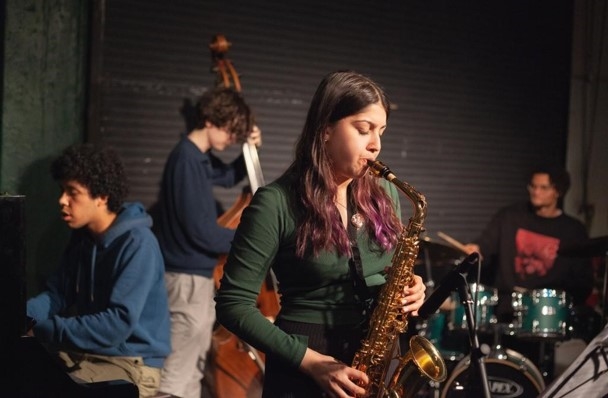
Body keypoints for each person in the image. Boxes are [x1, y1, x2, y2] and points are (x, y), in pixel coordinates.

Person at [215, 70, 427, 398]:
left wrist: (411, 286)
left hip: (374, 358)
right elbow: (233, 304)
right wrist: (312, 363)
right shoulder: (276, 202)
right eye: (363, 129)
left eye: (381, 131)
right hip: (304, 362)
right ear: (326, 129)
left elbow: (388, 272)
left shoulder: (385, 192)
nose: (376, 145)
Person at [26, 143, 171, 397]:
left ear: (102, 197)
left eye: (73, 192)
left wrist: (42, 328)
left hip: (132, 363)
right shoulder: (83, 237)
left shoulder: (138, 243)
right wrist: (21, 316)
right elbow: (58, 294)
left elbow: (116, 324)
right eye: (62, 190)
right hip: (89, 354)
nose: (62, 201)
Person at [155, 86, 262, 398]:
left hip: (193, 278)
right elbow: (202, 233)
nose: (233, 137)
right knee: (175, 378)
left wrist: (250, 150)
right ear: (210, 120)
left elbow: (228, 177)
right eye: (230, 128)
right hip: (185, 279)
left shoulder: (197, 159)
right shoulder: (186, 160)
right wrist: (252, 242)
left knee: (191, 372)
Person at [462, 166, 593, 322]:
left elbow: (582, 281)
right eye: (533, 186)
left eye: (544, 187)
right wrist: (476, 249)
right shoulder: (510, 216)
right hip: (506, 307)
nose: (536, 192)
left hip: (546, 312)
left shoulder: (573, 230)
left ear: (558, 191)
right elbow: (486, 243)